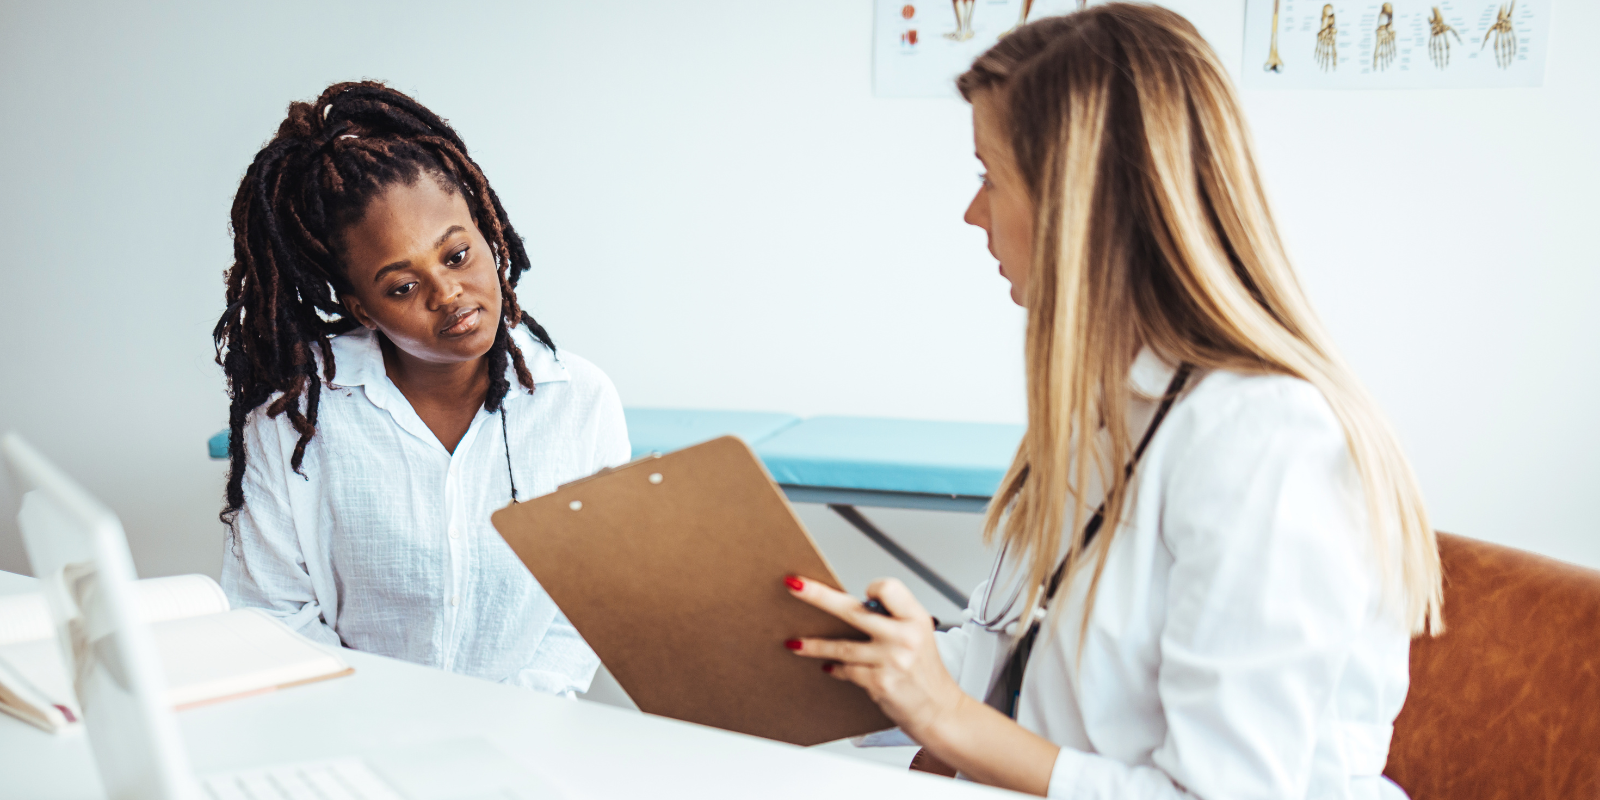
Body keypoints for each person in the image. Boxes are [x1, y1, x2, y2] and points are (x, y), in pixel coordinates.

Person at [781, 6, 1442, 798]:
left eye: (990, 178)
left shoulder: (1266, 439)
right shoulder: (1108, 405)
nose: (972, 213)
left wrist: (949, 716)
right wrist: (876, 656)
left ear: (1080, 205)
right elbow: (1021, 660)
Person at [214, 81, 628, 696]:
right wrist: (393, 719)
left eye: (457, 255)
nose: (447, 293)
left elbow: (587, 605)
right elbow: (272, 613)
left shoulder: (579, 401)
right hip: (348, 731)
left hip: (524, 740)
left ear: (487, 233)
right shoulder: (294, 416)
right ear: (361, 306)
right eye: (402, 287)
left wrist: (512, 719)